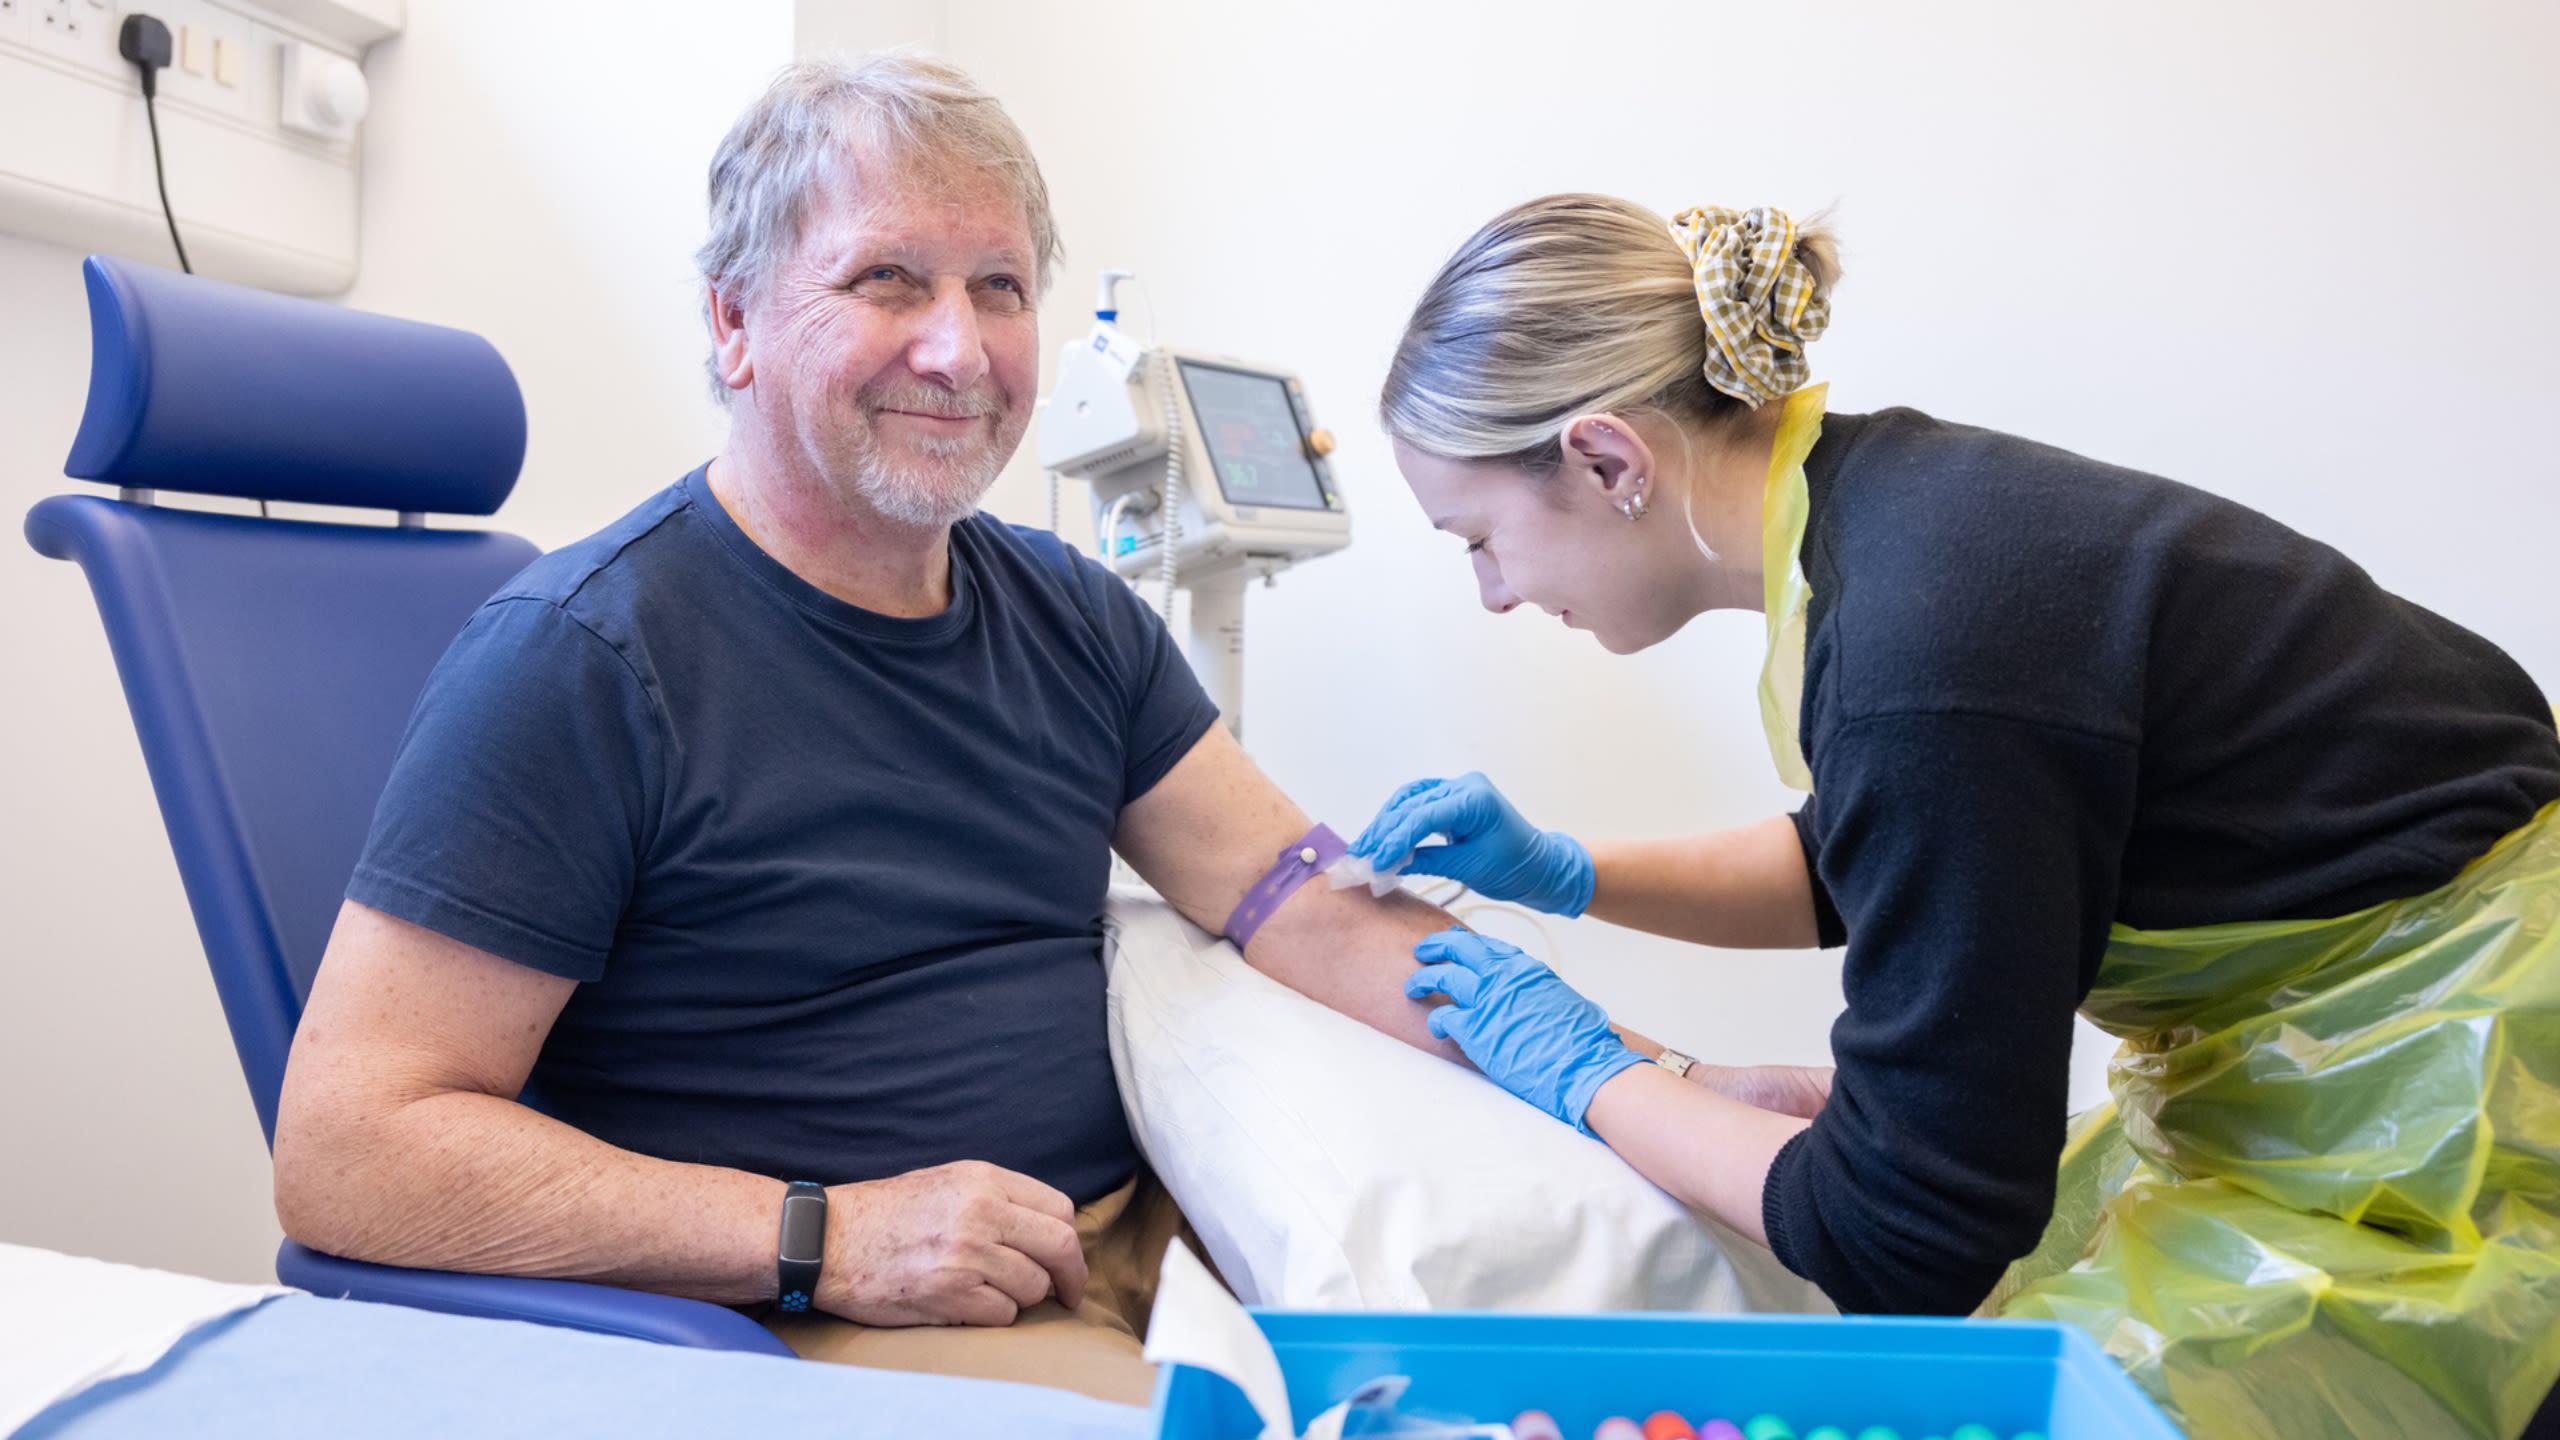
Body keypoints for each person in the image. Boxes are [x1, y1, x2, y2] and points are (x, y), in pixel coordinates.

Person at [268, 52, 1465, 1407]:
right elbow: (349, 1150)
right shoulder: (584, 660)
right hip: (866, 1311)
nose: (958, 348)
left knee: (1539, 1341)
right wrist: (822, 1237)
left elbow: (1299, 901)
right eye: (887, 278)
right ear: (734, 324)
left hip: (1165, 1229)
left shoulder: (1071, 614)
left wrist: (1642, 1080)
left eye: (998, 287)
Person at [1353, 195, 2560, 1438]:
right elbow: (1882, 855)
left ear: (1608, 461)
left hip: (2480, 1094)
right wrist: (1564, 871)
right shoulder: (1891, 509)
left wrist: (1591, 1074)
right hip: (2377, 1032)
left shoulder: (1921, 653)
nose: (1492, 594)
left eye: (1477, 539)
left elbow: (1904, 1232)